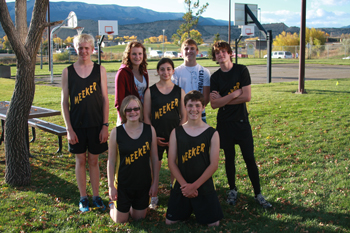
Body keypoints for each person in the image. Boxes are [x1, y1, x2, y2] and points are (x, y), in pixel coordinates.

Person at [209, 41, 272, 209]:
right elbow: (214, 105)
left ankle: (258, 193)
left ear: (230, 53)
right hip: (224, 124)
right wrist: (235, 94)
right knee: (229, 158)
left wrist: (224, 99)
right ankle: (232, 190)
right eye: (217, 53)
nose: (221, 55)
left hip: (242, 123)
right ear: (214, 57)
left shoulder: (241, 70)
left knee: (249, 158)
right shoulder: (215, 77)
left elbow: (247, 97)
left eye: (224, 51)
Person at [61, 33, 109, 212]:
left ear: (92, 49)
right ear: (76, 49)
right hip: (76, 125)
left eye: (87, 48)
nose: (84, 51)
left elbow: (105, 99)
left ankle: (96, 196)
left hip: (96, 124)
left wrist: (105, 125)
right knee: (80, 161)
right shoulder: (68, 71)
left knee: (94, 161)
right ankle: (83, 198)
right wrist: (69, 128)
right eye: (80, 48)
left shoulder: (100, 70)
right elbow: (64, 102)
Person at [165, 91, 223, 226]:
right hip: (182, 184)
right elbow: (171, 162)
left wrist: (194, 186)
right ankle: (186, 207)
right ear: (185, 107)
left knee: (213, 224)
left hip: (203, 184)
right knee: (170, 222)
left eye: (197, 106)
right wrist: (185, 186)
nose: (194, 110)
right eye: (190, 105)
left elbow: (214, 165)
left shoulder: (212, 133)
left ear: (203, 107)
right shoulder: (176, 132)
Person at [107, 95, 159, 223]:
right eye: (128, 110)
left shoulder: (149, 130)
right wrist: (111, 187)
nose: (133, 112)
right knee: (120, 221)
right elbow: (111, 161)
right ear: (123, 112)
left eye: (136, 108)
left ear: (140, 110)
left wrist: (155, 183)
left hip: (143, 184)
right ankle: (113, 206)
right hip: (123, 185)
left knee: (139, 218)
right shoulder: (116, 132)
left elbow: (154, 158)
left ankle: (131, 207)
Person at [143, 58, 187, 209]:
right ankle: (153, 195)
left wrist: (176, 134)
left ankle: (174, 191)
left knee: (174, 164)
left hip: (174, 135)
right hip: (156, 135)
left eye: (168, 69)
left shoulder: (179, 91)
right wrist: (153, 136)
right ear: (157, 71)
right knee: (155, 164)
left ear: (173, 71)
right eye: (162, 69)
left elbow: (184, 115)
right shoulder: (151, 91)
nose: (165, 72)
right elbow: (146, 116)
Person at [171, 39, 210, 123]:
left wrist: (195, 110)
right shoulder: (176, 72)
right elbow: (174, 96)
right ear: (181, 52)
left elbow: (206, 97)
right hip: (182, 117)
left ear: (197, 51)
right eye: (186, 49)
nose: (189, 51)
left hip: (200, 115)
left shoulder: (204, 71)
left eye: (192, 48)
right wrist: (185, 113)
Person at [115, 42, 149, 125]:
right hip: (128, 115)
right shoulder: (122, 73)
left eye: (140, 53)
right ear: (128, 55)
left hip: (140, 114)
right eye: (134, 54)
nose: (137, 57)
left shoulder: (144, 72)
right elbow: (119, 101)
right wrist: (123, 119)